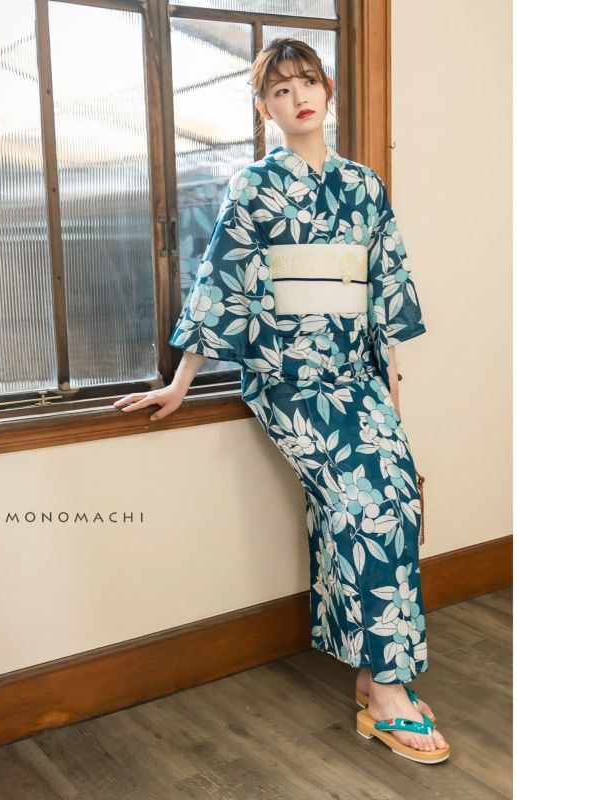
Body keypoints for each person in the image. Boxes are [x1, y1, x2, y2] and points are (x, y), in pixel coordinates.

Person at [114, 38, 449, 764]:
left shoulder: (364, 186)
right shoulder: (253, 186)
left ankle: (374, 672)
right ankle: (389, 690)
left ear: (327, 89)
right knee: (362, 504)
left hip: (359, 376)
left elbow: (385, 291)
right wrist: (179, 382)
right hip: (289, 379)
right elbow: (222, 281)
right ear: (264, 108)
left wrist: (390, 389)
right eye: (280, 90)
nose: (298, 97)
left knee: (394, 499)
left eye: (307, 82)